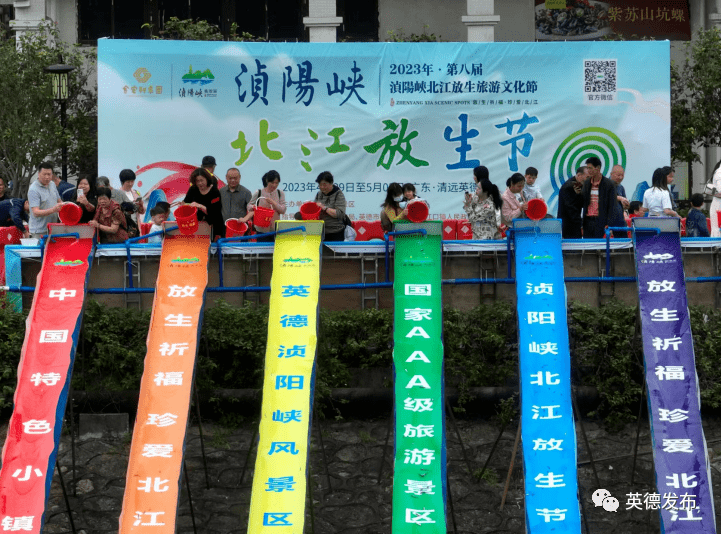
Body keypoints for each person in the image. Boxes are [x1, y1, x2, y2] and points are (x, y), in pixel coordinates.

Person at [294, 171, 347, 241]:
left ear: (331, 183)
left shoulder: (338, 194)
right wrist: (309, 205)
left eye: (324, 185)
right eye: (320, 185)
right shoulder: (319, 194)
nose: (322, 187)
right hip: (320, 231)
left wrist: (325, 208)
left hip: (335, 232)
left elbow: (340, 214)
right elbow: (315, 211)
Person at [183, 167, 225, 240]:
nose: (200, 183)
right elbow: (185, 202)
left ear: (207, 179)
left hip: (214, 225)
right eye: (197, 181)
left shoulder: (214, 192)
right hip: (197, 225)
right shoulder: (193, 189)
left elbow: (214, 213)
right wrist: (185, 206)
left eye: (202, 180)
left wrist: (199, 206)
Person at [581, 156, 617, 238]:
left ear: (598, 168)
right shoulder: (586, 183)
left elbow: (612, 206)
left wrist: (609, 224)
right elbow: (583, 202)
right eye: (587, 168)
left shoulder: (609, 184)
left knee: (600, 245)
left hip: (601, 222)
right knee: (588, 245)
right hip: (588, 221)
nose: (588, 170)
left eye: (590, 168)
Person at [247, 170, 287, 242]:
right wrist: (253, 208)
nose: (274, 185)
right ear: (267, 181)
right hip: (261, 229)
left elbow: (283, 210)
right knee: (262, 248)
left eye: (276, 183)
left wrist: (273, 203)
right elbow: (249, 206)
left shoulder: (280, 193)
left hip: (275, 229)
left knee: (274, 248)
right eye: (272, 183)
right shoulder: (259, 192)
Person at [28, 161, 62, 238]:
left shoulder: (52, 184)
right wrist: (53, 210)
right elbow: (35, 212)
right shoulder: (33, 189)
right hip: (39, 231)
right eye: (44, 174)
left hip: (53, 228)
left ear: (52, 175)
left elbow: (59, 201)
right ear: (38, 174)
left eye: (49, 174)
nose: (47, 177)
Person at [556, 166, 588, 239]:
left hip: (574, 224)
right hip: (569, 226)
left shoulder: (580, 185)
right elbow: (571, 209)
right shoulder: (569, 187)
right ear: (579, 175)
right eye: (587, 177)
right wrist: (581, 224)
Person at [710, 160, 721, 237]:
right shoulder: (719, 173)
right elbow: (720, 191)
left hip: (717, 207)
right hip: (718, 208)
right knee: (718, 231)